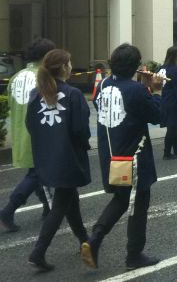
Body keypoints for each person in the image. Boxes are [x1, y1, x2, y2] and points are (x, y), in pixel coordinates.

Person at [83, 43, 162, 270]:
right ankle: (134, 255)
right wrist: (155, 91)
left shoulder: (105, 85)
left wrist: (143, 88)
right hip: (133, 156)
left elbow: (126, 105)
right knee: (138, 203)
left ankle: (94, 239)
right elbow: (157, 115)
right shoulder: (135, 90)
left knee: (120, 199)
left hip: (111, 154)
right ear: (136, 67)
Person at [23, 49, 91, 271]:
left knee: (69, 200)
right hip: (68, 156)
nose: (72, 67)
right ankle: (38, 252)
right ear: (63, 68)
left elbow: (30, 126)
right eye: (69, 63)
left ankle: (85, 241)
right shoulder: (73, 94)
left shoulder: (36, 94)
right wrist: (84, 144)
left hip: (46, 155)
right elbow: (81, 129)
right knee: (61, 203)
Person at [0, 38, 55, 233]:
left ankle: (48, 207)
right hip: (40, 133)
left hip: (20, 133)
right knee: (37, 173)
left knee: (37, 172)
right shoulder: (44, 77)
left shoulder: (16, 77)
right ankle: (8, 210)